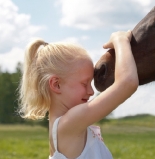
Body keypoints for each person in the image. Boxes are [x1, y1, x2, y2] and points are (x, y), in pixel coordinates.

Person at [18, 30, 139, 159]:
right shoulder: (69, 123)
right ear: (56, 84)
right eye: (84, 83)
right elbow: (127, 83)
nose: (91, 91)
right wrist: (120, 40)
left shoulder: (65, 126)